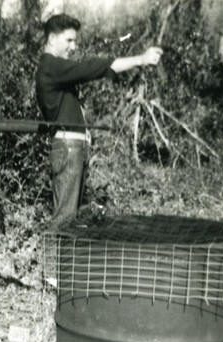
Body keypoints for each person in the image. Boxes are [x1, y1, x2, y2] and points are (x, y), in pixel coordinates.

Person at [36, 13, 163, 228]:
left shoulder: (55, 68)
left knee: (71, 219)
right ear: (51, 38)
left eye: (75, 41)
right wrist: (140, 60)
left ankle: (65, 260)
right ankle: (53, 260)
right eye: (69, 40)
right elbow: (94, 68)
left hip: (72, 146)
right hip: (68, 147)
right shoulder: (51, 65)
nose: (73, 47)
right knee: (64, 221)